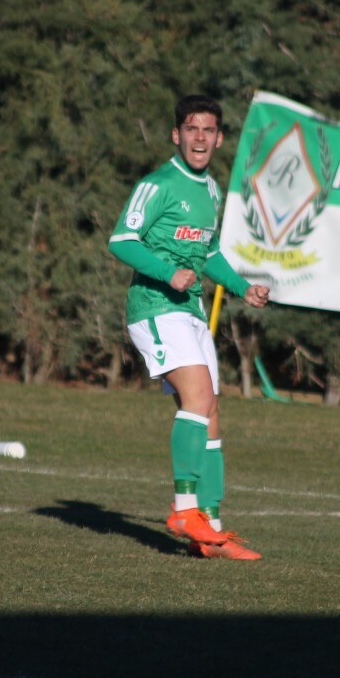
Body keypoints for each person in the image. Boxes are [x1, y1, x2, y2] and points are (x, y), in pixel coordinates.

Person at [108, 94, 270, 560]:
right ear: (176, 135)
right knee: (198, 398)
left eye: (209, 130)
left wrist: (242, 288)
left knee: (212, 411)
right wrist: (166, 272)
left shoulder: (212, 190)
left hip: (191, 311)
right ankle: (184, 510)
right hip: (155, 306)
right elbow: (120, 239)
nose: (200, 138)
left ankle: (212, 531)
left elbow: (209, 253)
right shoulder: (157, 183)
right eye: (191, 129)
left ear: (219, 138)